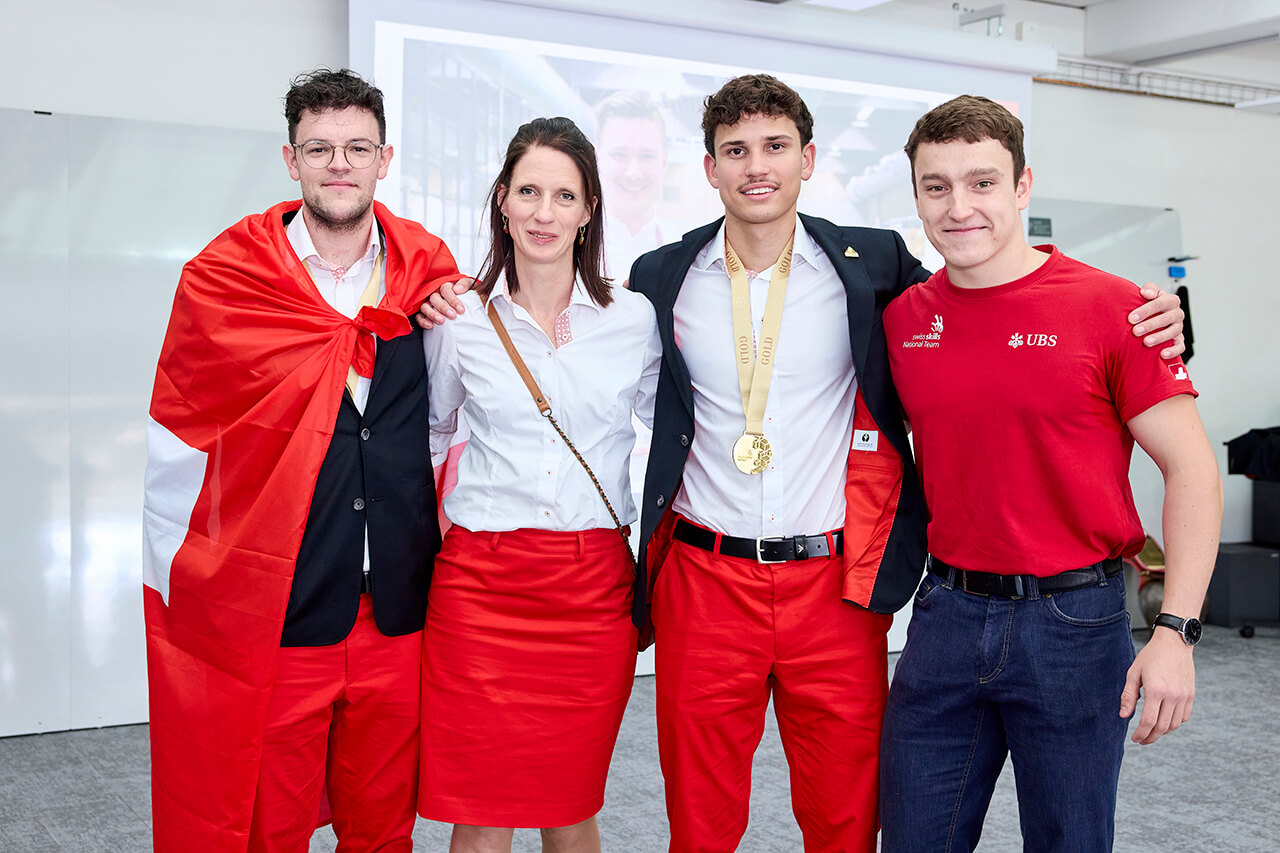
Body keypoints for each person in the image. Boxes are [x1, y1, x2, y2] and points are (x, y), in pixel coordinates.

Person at [417, 74, 1185, 853]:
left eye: (776, 147)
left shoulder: (875, 267)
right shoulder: (659, 282)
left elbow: (990, 288)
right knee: (701, 820)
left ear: (808, 158)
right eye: (736, 150)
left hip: (834, 586)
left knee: (846, 817)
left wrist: (1142, 308)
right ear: (710, 167)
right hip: (704, 580)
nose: (757, 166)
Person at [879, 95, 1222, 852]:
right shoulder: (903, 318)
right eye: (936, 186)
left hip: (1075, 623)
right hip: (944, 616)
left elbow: (1194, 469)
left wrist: (1177, 631)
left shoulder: (1116, 308)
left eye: (982, 182)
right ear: (916, 196)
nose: (958, 206)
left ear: (1023, 186)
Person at [142, 68, 461, 852]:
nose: (339, 164)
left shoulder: (430, 275)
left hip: (396, 612)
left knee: (383, 832)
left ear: (385, 159)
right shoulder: (229, 280)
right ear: (291, 160)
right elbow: (188, 439)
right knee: (269, 830)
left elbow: (453, 427)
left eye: (357, 147)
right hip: (283, 613)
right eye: (320, 148)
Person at [417, 116, 661, 853]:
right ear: (502, 200)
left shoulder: (634, 318)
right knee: (482, 807)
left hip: (590, 593)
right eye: (529, 191)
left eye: (564, 195)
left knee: (570, 803)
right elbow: (430, 438)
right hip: (480, 588)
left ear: (589, 210)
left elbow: (683, 436)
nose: (544, 212)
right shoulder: (457, 316)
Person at [594, 90, 670, 279]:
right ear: (597, 160)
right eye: (619, 155)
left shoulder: (688, 256)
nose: (633, 173)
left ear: (664, 163)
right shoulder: (566, 249)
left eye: (647, 156)